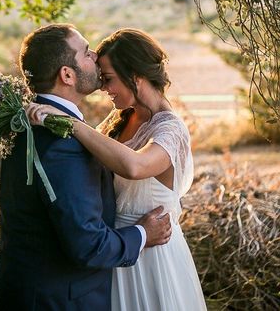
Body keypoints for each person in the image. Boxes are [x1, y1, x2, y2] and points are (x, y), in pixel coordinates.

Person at [0, 24, 173, 311]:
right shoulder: (61, 142)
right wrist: (142, 235)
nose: (96, 55)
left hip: (27, 290)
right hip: (60, 300)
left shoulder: (22, 124)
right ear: (67, 74)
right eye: (86, 52)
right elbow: (89, 245)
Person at [26, 28, 207, 311]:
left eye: (108, 79)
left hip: (152, 256)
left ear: (135, 75)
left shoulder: (171, 129)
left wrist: (72, 123)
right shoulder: (118, 120)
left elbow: (135, 166)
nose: (102, 87)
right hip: (114, 251)